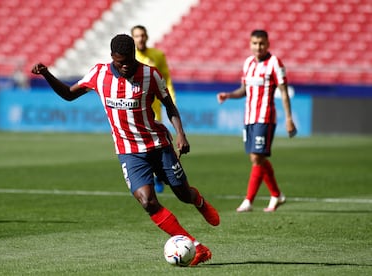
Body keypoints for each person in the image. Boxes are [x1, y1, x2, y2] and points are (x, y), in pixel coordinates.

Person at [31, 34, 219, 265]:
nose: (126, 65)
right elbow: (69, 95)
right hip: (129, 151)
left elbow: (170, 106)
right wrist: (47, 74)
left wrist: (181, 134)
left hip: (158, 145)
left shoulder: (151, 74)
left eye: (130, 60)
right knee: (147, 201)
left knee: (182, 193)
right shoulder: (99, 74)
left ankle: (198, 201)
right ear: (112, 57)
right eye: (121, 62)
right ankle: (196, 246)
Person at [216, 29, 297, 213]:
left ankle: (248, 200)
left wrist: (289, 118)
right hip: (249, 118)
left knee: (257, 158)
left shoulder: (275, 63)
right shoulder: (248, 63)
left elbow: (283, 92)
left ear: (268, 44)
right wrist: (228, 95)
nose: (258, 47)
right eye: (254, 43)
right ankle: (277, 195)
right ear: (250, 44)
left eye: (261, 43)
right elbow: (244, 90)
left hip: (265, 117)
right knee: (257, 157)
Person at [131, 25, 176, 193]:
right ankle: (148, 175)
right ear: (132, 38)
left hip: (153, 106)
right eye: (137, 36)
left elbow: (166, 79)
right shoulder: (130, 57)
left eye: (142, 35)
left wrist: (171, 100)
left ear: (147, 36)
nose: (140, 38)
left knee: (154, 143)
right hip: (135, 108)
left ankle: (158, 175)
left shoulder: (157, 55)